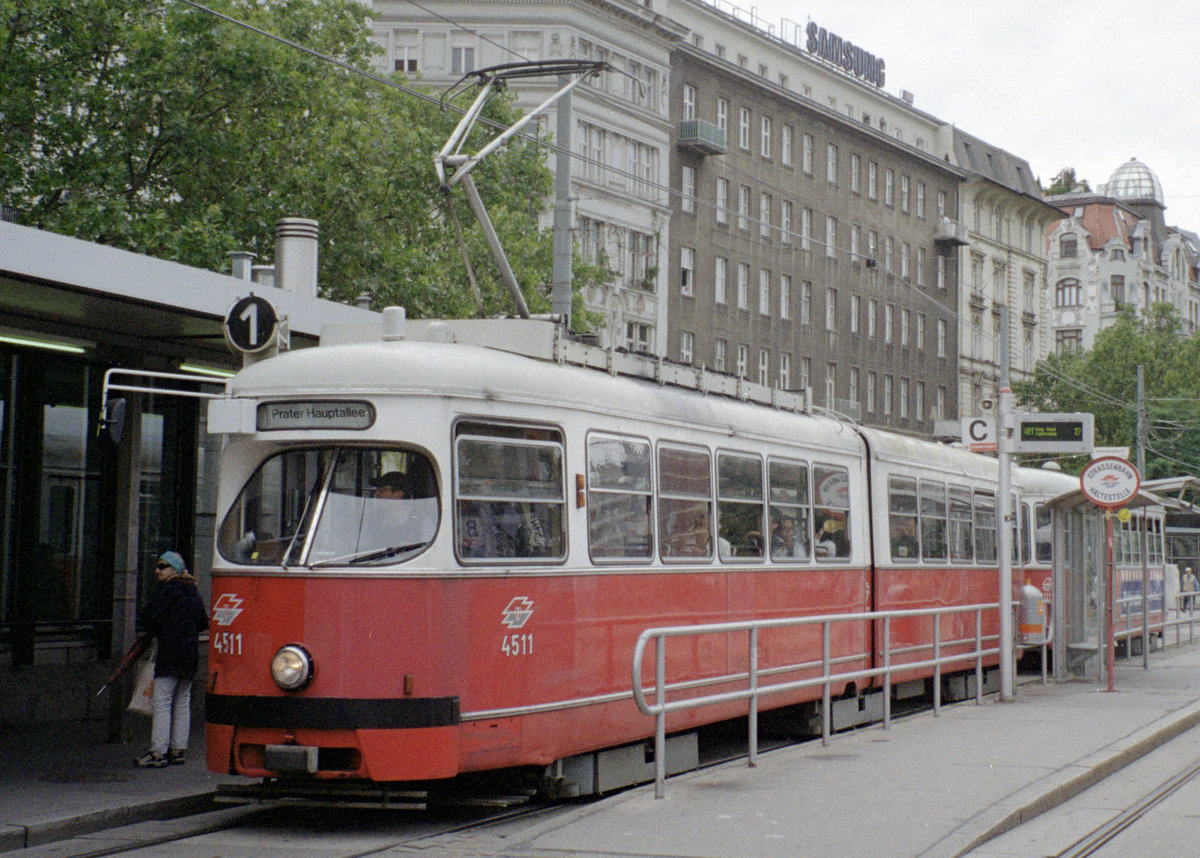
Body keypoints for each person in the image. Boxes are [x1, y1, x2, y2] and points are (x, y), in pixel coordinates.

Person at [134, 551, 208, 768]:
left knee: (163, 702)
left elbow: (148, 617)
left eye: (162, 566)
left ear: (174, 569)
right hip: (189, 655)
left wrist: (162, 628)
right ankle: (178, 750)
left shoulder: (168, 591)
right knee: (182, 702)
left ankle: (158, 752)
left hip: (170, 653)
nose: (157, 570)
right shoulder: (192, 592)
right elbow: (203, 622)